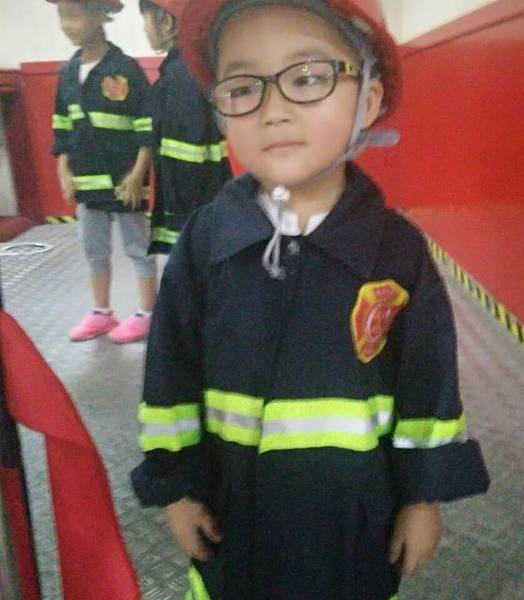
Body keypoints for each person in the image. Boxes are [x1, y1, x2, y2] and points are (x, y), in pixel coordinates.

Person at [131, 1, 491, 598]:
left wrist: (422, 497)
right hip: (231, 533)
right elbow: (170, 375)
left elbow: (428, 386)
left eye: (307, 78)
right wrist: (175, 488)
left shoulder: (397, 253)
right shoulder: (203, 243)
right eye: (243, 87)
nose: (272, 110)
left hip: (354, 532)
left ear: (367, 100)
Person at [50, 0, 157, 343]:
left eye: (73, 16)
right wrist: (63, 170)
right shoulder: (67, 73)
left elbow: (146, 126)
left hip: (125, 182)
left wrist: (137, 175)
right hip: (87, 183)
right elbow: (61, 126)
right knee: (93, 250)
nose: (66, 25)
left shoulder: (125, 69)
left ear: (99, 15)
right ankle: (101, 313)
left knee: (137, 248)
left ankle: (148, 314)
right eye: (61, 17)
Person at [139, 0, 232, 255]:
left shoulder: (178, 78)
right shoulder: (188, 70)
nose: (143, 29)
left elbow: (187, 156)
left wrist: (179, 218)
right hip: (204, 205)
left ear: (167, 23)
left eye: (145, 19)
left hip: (189, 211)